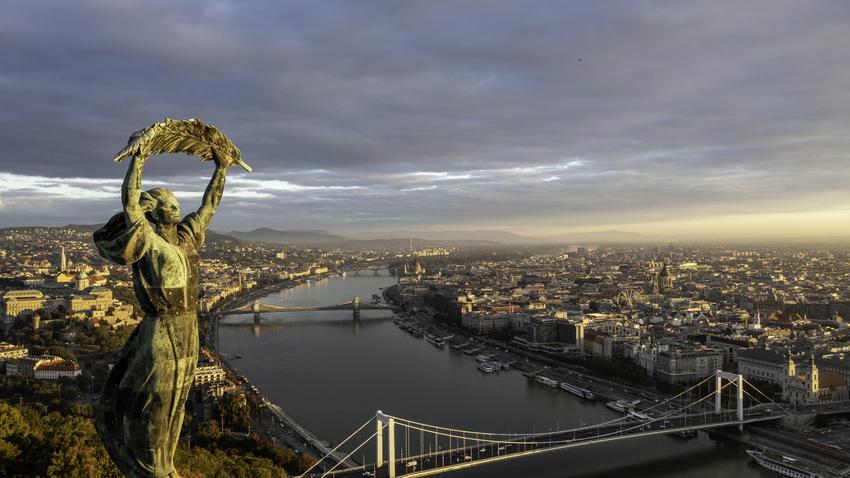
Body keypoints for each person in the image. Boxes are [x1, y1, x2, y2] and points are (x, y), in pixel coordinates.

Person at [93, 151, 234, 477]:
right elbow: (130, 203)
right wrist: (139, 158)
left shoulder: (186, 240)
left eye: (175, 202)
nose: (176, 207)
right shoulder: (147, 241)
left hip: (189, 326)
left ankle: (166, 465)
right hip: (161, 327)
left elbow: (209, 206)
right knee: (156, 402)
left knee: (177, 402)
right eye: (168, 204)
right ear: (154, 212)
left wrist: (222, 167)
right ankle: (150, 467)